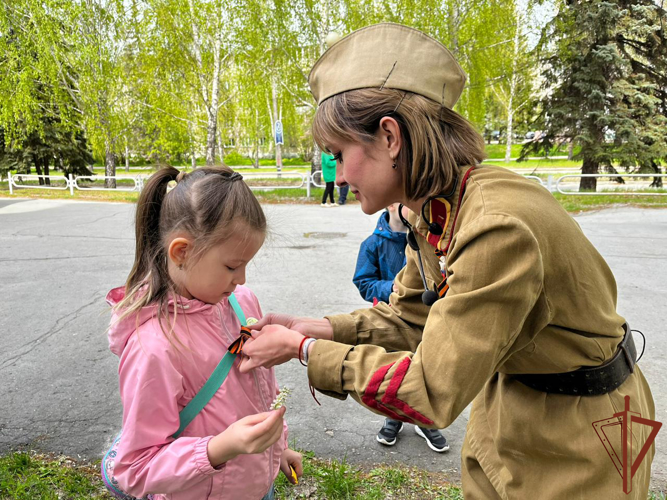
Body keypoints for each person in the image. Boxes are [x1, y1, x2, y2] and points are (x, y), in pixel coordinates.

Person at [238, 23, 656, 499]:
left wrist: (303, 351)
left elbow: (428, 391)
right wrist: (317, 328)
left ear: (389, 137)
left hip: (578, 438)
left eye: (337, 152)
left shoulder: (495, 227)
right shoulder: (440, 206)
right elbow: (412, 316)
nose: (336, 170)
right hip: (514, 405)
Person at [106, 165, 302, 500]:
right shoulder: (154, 347)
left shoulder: (241, 302)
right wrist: (216, 449)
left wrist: (277, 447)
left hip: (256, 483)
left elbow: (261, 385)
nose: (241, 278)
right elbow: (135, 469)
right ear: (182, 252)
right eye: (230, 266)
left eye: (246, 265)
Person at [354, 203, 449, 452]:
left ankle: (422, 419)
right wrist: (390, 289)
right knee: (394, 368)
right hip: (390, 319)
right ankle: (393, 417)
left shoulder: (425, 239)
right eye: (403, 203)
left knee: (425, 367)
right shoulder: (372, 244)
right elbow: (364, 282)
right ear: (391, 205)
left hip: (426, 319)